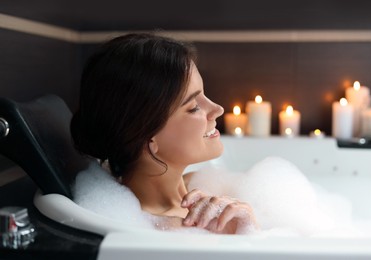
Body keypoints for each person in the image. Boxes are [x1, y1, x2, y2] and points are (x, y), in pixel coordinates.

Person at [71, 33, 258, 234]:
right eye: (194, 107)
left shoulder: (198, 186)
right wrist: (244, 235)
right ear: (148, 137)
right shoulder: (161, 231)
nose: (218, 109)